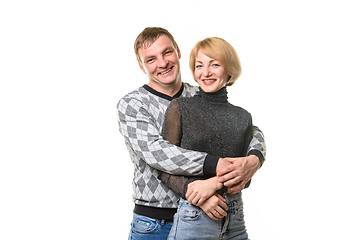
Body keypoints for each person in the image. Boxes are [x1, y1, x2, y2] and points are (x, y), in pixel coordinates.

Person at [117, 27, 266, 240]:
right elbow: (158, 153)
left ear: (178, 51)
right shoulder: (132, 104)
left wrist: (255, 159)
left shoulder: (200, 94)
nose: (162, 63)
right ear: (141, 67)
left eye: (167, 52)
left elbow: (250, 131)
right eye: (151, 59)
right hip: (156, 222)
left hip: (209, 217)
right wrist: (203, 187)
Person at [158, 37, 257, 239]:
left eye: (215, 64)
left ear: (229, 69)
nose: (206, 72)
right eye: (199, 65)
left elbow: (244, 177)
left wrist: (213, 184)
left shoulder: (243, 117)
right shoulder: (181, 108)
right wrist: (196, 195)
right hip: (194, 217)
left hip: (235, 219)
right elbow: (163, 169)